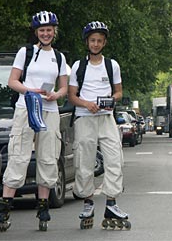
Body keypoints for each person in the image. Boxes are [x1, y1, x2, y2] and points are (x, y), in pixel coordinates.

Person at [0, 11, 68, 232]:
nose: (46, 33)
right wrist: (30, 91)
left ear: (54, 31)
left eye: (49, 30)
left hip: (49, 110)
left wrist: (57, 94)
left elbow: (63, 86)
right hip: (26, 108)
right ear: (36, 32)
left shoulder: (59, 57)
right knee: (19, 154)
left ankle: (43, 205)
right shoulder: (25, 53)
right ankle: (5, 206)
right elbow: (12, 81)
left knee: (48, 155)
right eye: (42, 30)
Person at [68, 21, 130, 230]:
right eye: (93, 40)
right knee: (84, 161)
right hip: (85, 117)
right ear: (87, 42)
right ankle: (87, 202)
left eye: (99, 41)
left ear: (104, 43)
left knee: (115, 158)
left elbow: (119, 91)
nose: (96, 44)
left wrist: (112, 100)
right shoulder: (79, 66)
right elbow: (72, 95)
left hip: (106, 118)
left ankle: (111, 202)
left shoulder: (112, 65)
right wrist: (87, 104)